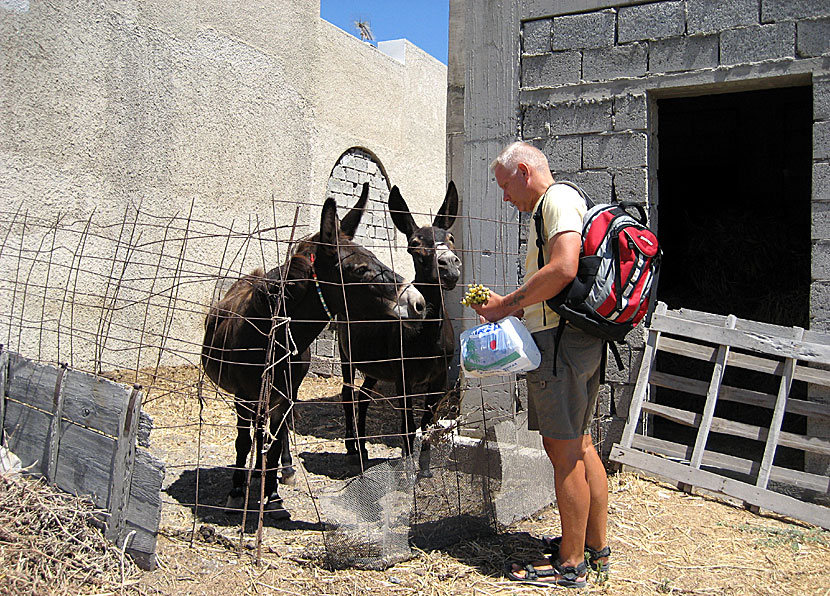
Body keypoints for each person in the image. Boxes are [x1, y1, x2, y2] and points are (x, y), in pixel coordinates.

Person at [471, 141, 610, 588]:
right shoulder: (564, 203)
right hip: (577, 339)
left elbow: (564, 268)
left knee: (564, 453)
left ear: (524, 171)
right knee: (582, 444)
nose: (506, 197)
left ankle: (570, 564)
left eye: (505, 186)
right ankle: (593, 547)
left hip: (560, 343)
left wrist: (505, 306)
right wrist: (513, 306)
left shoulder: (556, 200)